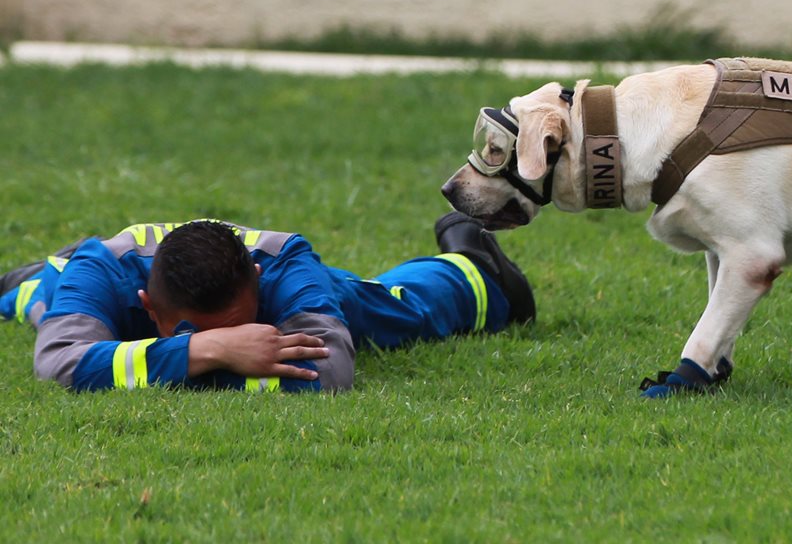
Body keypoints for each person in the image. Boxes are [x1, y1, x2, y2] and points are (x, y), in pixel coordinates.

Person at [0, 213, 531, 392]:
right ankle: (27, 285)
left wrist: (174, 357)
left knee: (384, 311)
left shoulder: (282, 265)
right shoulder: (102, 272)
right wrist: (207, 353)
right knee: (56, 297)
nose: (221, 337)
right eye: (185, 329)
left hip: (293, 277)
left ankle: (477, 271)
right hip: (88, 276)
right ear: (146, 304)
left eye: (237, 325)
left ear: (256, 282)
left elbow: (331, 374)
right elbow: (59, 363)